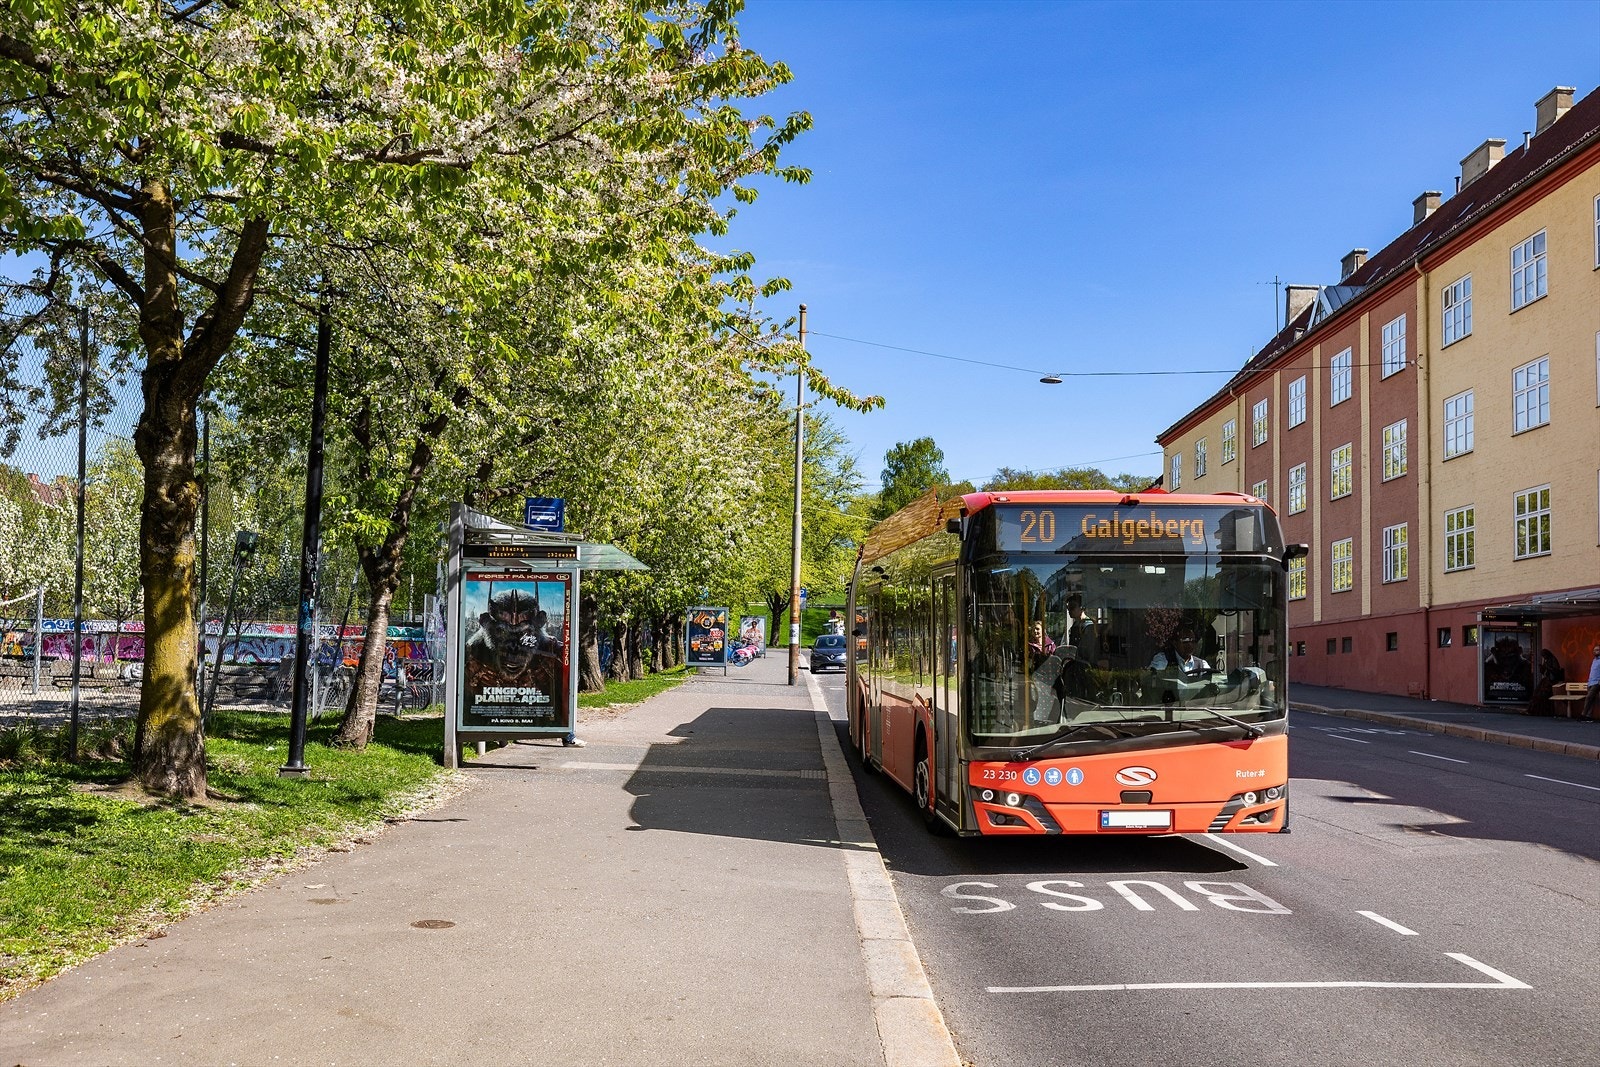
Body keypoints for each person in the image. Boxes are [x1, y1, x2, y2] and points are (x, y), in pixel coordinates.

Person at [1528, 649, 1564, 717]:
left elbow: (1556, 671)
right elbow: (1544, 671)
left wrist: (1548, 668)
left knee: (1543, 692)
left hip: (1552, 679)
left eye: (1544, 656)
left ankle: (1544, 711)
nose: (1544, 657)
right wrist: (1542, 668)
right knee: (1537, 692)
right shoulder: (1546, 660)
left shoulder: (1553, 659)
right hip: (1547, 678)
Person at [1582, 645, 1600, 722]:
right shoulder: (1594, 660)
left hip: (1597, 682)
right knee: (1591, 700)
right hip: (1590, 682)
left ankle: (1583, 714)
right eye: (1594, 650)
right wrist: (1588, 681)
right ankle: (1588, 716)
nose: (1595, 651)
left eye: (1597, 650)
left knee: (1588, 697)